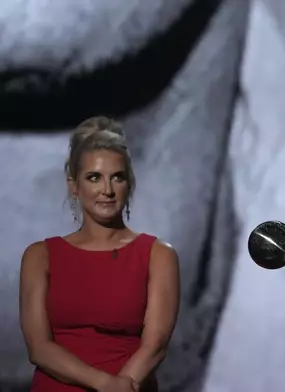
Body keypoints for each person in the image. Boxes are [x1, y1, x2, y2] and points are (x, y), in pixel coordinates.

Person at [19, 116, 180, 392]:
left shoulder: (157, 254)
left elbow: (155, 346)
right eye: (94, 178)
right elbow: (39, 348)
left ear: (128, 183)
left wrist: (121, 387)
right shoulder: (39, 256)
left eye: (117, 177)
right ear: (74, 185)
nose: (107, 190)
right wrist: (104, 384)